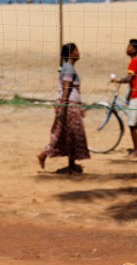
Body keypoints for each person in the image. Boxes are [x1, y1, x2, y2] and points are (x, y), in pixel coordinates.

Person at [37, 43, 90, 174]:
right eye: (76, 50)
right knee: (69, 134)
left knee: (68, 134)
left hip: (71, 105)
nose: (78, 53)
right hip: (69, 105)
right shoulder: (69, 69)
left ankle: (69, 163)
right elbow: (67, 89)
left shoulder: (68, 68)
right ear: (71, 53)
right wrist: (63, 107)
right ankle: (46, 154)